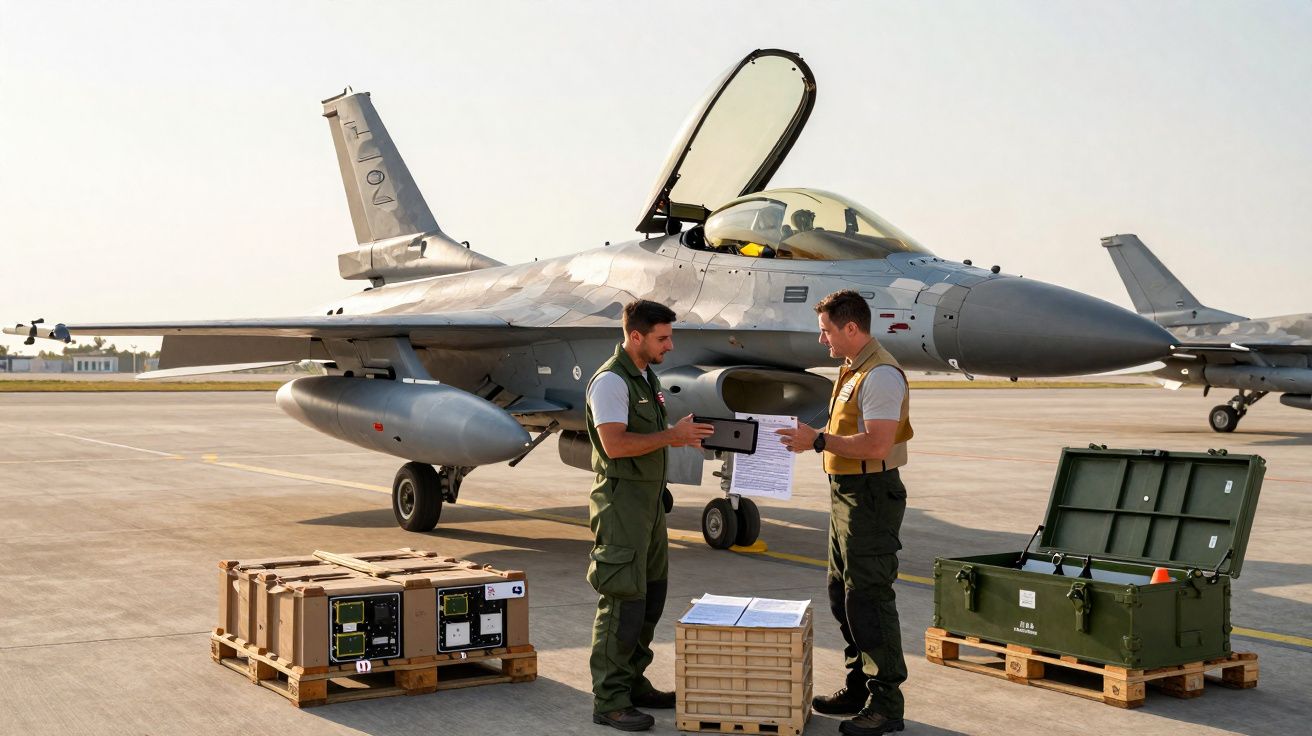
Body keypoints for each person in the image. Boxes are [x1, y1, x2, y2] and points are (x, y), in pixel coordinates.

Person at [777, 289, 913, 736]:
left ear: (851, 328)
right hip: (846, 494)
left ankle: (886, 704)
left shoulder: (880, 375)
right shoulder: (853, 369)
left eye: (826, 331)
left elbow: (877, 443)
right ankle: (859, 687)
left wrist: (818, 440)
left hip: (870, 496)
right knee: (842, 594)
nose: (822, 340)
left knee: (869, 598)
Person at [585, 299, 714, 732]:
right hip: (622, 506)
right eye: (663, 338)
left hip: (650, 506)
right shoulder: (611, 381)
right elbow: (615, 445)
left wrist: (681, 436)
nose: (670, 345)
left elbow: (650, 436)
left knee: (649, 599)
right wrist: (671, 436)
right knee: (622, 602)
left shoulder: (644, 376)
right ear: (635, 336)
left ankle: (633, 683)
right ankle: (610, 700)